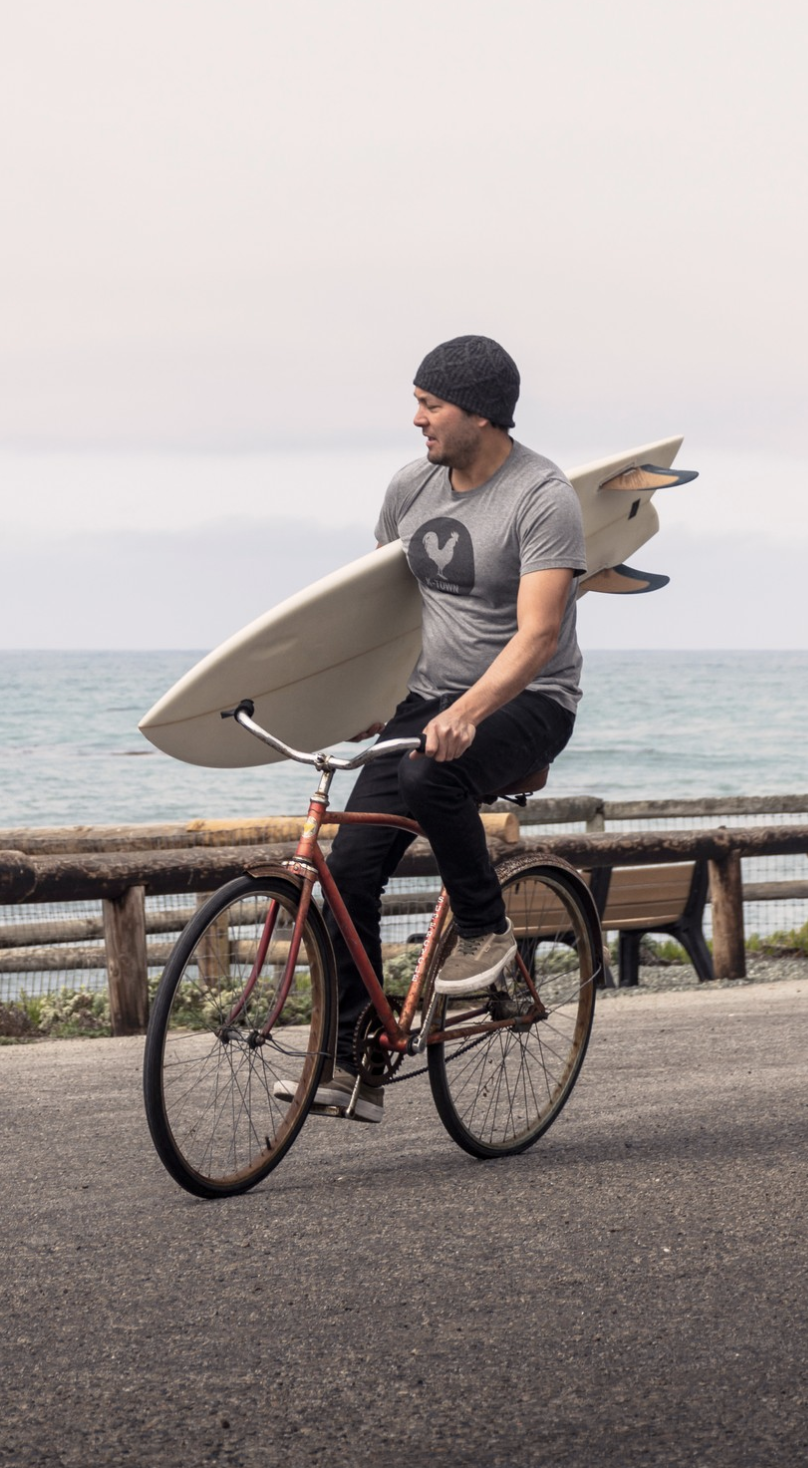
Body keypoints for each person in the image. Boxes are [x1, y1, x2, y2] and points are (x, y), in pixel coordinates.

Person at [297, 334, 586, 1123]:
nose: (416, 418)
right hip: (430, 701)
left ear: (481, 414)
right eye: (418, 401)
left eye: (431, 404)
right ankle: (355, 1058)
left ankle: (488, 933)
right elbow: (387, 610)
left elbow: (536, 635)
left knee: (434, 775)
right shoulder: (408, 489)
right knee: (346, 867)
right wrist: (374, 696)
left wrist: (468, 711)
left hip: (530, 700)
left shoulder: (542, 496)